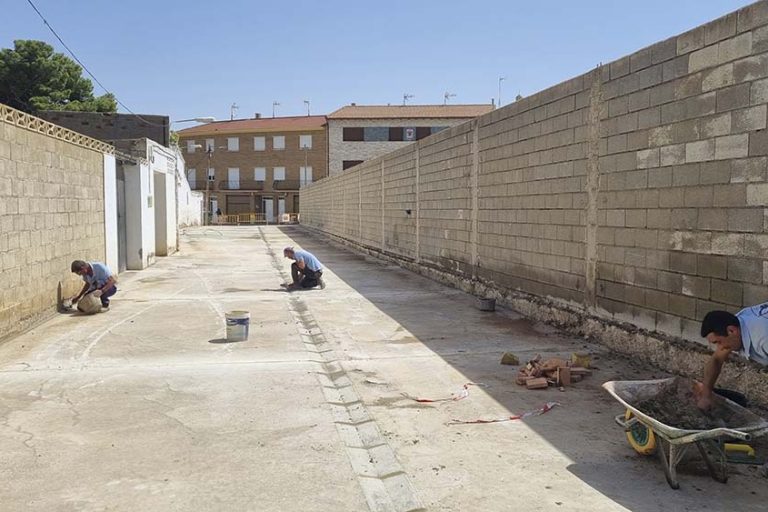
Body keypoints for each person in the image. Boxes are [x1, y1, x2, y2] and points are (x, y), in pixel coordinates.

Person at [696, 306, 768, 410]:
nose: (720, 348)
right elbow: (716, 360)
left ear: (732, 331)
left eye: (718, 342)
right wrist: (706, 395)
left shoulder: (763, 337)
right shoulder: (736, 325)